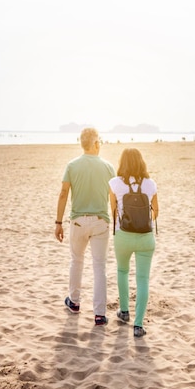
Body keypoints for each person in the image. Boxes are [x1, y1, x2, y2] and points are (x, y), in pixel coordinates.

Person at [55, 128, 116, 325]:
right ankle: (99, 314)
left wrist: (58, 222)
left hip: (78, 221)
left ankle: (74, 302)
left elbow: (63, 193)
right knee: (99, 267)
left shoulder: (72, 165)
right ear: (96, 143)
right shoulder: (108, 167)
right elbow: (113, 199)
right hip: (100, 222)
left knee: (76, 260)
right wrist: (115, 221)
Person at [109, 148, 158, 337]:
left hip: (123, 235)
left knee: (122, 271)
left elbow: (113, 210)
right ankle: (138, 325)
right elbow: (156, 212)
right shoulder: (151, 184)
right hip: (146, 237)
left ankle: (124, 312)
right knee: (143, 279)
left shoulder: (114, 183)